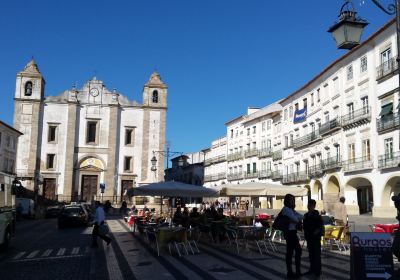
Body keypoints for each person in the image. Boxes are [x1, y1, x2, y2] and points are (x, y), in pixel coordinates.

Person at [281, 194, 303, 279]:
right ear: (287, 201)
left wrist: (297, 219)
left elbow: (300, 216)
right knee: (297, 250)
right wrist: (295, 220)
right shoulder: (286, 209)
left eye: (293, 200)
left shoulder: (291, 210)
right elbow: (296, 219)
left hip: (292, 232)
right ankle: (293, 271)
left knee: (291, 252)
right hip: (289, 233)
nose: (292, 201)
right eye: (291, 200)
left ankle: (292, 271)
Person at [303, 199, 324, 277]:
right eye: (308, 205)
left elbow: (320, 226)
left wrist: (316, 232)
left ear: (314, 206)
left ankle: (317, 271)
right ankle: (311, 269)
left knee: (316, 255)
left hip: (315, 238)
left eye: (311, 205)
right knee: (311, 254)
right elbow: (304, 226)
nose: (309, 206)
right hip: (309, 238)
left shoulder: (317, 215)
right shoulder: (306, 215)